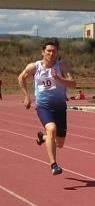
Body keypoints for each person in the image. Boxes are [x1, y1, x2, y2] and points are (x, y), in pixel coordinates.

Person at [18, 39, 76, 175]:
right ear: (43, 52)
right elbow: (21, 78)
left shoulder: (62, 66)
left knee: (60, 143)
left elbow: (73, 84)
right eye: (48, 51)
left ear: (57, 53)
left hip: (60, 107)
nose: (51, 53)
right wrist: (26, 96)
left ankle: (42, 138)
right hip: (43, 106)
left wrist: (59, 79)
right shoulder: (34, 67)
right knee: (51, 129)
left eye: (54, 51)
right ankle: (54, 165)